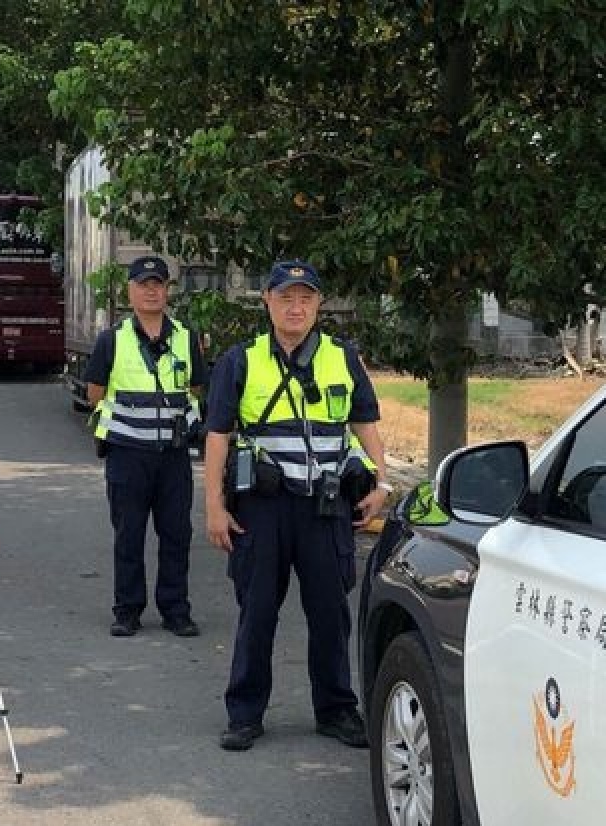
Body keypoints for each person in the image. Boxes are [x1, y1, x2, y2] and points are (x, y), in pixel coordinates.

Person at [204, 259, 391, 750]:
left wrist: (381, 484)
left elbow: (365, 423)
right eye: (285, 297)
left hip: (325, 509)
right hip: (262, 509)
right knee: (258, 611)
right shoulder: (240, 361)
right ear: (266, 300)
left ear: (318, 305)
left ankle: (336, 710)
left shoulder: (342, 357)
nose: (295, 306)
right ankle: (244, 714)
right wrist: (214, 508)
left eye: (305, 297)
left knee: (331, 613)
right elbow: (218, 438)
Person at [85, 255, 207, 637]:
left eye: (158, 284)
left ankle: (175, 609)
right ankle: (127, 609)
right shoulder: (112, 338)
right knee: (129, 534)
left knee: (176, 534)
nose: (151, 290)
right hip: (127, 455)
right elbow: (95, 393)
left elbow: (196, 388)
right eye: (144, 284)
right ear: (130, 291)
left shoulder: (186, 337)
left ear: (168, 290)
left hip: (173, 456)